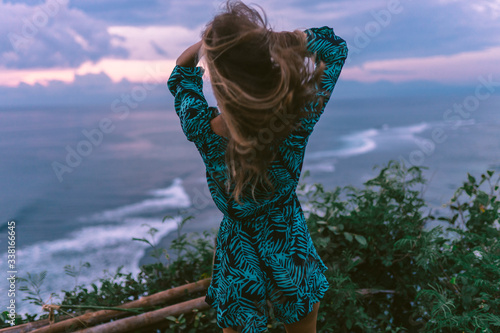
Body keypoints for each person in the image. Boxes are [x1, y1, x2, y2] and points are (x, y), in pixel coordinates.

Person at [167, 1, 348, 332]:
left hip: (239, 251)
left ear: (220, 81)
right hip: (287, 239)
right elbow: (334, 48)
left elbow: (181, 74)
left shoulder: (203, 129)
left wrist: (209, 44)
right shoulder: (295, 119)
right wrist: (274, 40)